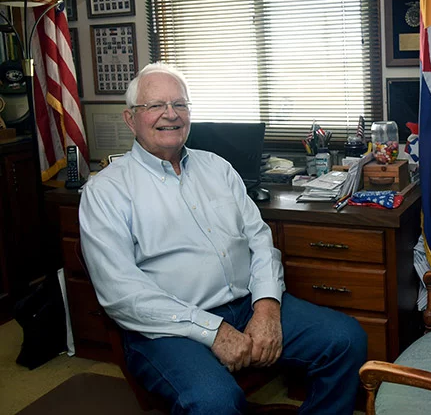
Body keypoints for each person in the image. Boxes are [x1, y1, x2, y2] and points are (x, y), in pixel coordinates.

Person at [79, 63, 367, 415]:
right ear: (130, 119)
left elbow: (259, 240)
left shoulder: (217, 167)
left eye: (180, 104)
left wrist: (266, 306)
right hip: (167, 327)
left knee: (345, 339)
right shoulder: (105, 191)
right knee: (213, 401)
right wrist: (214, 331)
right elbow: (122, 294)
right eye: (155, 105)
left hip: (245, 306)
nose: (171, 114)